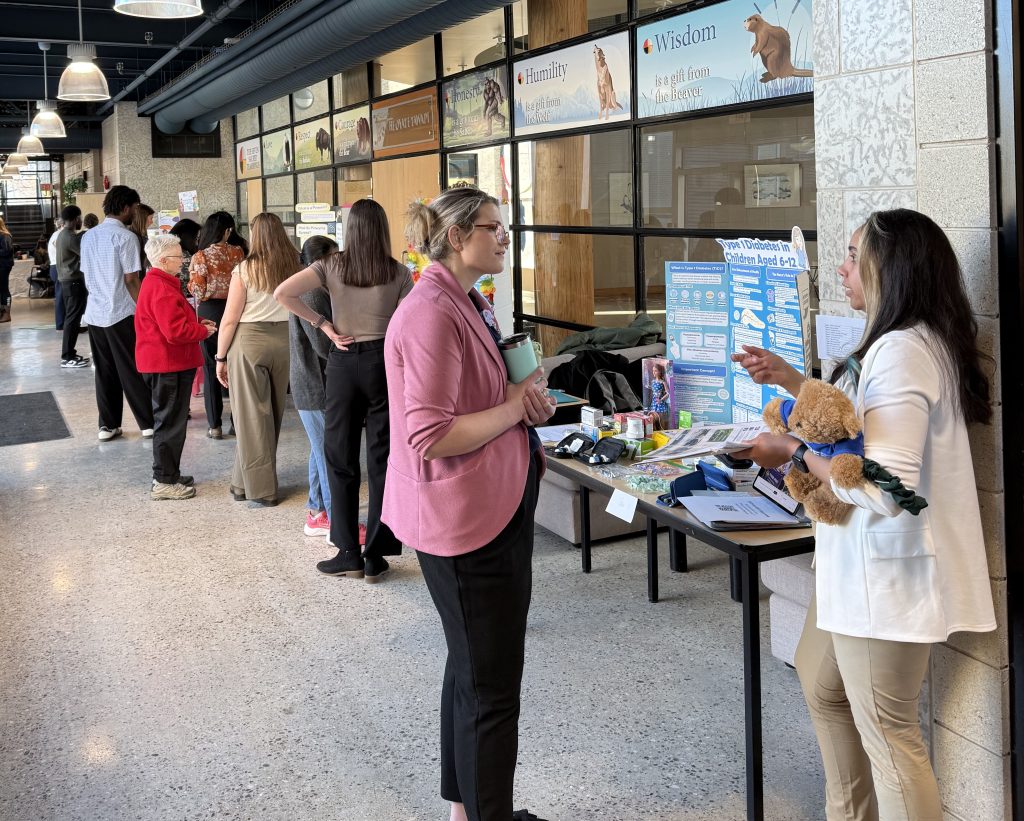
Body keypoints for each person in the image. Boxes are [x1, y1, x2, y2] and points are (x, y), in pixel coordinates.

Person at [732, 208, 996, 820]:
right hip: (856, 571)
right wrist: (797, 382)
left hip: (886, 581)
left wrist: (790, 449)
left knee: (892, 741)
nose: (842, 270)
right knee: (821, 682)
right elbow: (859, 432)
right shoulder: (908, 341)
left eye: (853, 256)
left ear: (891, 267)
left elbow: (882, 483)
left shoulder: (904, 351)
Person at [384, 187, 555, 821]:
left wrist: (523, 399)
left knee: (472, 668)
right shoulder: (431, 311)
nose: (505, 237)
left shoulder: (467, 299)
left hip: (492, 503)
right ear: (457, 238)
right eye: (494, 228)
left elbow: (478, 399)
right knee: (491, 690)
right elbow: (430, 435)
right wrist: (513, 408)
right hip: (466, 521)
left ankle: (466, 810)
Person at [274, 199, 407, 579]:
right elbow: (408, 321)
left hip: (345, 362)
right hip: (384, 364)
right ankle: (377, 554)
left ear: (349, 229)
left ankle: (348, 549)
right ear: (382, 229)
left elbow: (283, 293)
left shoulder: (330, 264)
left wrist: (324, 325)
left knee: (339, 455)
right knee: (382, 457)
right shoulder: (398, 272)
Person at [214, 212, 293, 507]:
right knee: (271, 414)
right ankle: (240, 482)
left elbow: (230, 320)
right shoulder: (294, 265)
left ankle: (262, 490)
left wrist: (220, 357)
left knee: (251, 418)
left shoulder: (245, 269)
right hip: (285, 342)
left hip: (250, 342)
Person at [134, 234, 216, 501]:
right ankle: (163, 481)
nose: (183, 261)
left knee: (172, 421)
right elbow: (175, 331)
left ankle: (169, 472)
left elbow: (178, 317)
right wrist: (201, 331)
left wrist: (199, 322)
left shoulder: (161, 282)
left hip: (169, 362)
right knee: (169, 423)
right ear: (162, 260)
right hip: (167, 364)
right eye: (178, 256)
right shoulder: (159, 287)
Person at [80, 185, 155, 442]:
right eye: (135, 208)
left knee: (104, 370)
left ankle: (107, 425)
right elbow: (132, 279)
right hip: (122, 312)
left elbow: (87, 274)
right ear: (126, 208)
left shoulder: (88, 236)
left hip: (95, 313)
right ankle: (148, 422)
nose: (136, 212)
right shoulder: (126, 237)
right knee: (132, 368)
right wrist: (148, 309)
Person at [278, 235, 338, 539]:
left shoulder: (309, 288)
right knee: (329, 452)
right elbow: (323, 346)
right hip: (315, 384)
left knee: (319, 449)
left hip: (311, 384)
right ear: (322, 261)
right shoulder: (313, 291)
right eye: (335, 256)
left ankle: (317, 513)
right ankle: (337, 526)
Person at [189, 212, 246, 439]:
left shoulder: (200, 256)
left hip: (209, 313)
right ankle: (237, 423)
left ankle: (214, 425)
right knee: (234, 367)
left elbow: (197, 291)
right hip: (237, 310)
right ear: (228, 231)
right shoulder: (239, 253)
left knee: (210, 367)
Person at [55, 205, 90, 368]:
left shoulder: (63, 234)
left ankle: (70, 353)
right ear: (76, 218)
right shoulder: (70, 237)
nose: (81, 221)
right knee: (72, 319)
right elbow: (87, 253)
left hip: (68, 281)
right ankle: (67, 356)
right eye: (80, 218)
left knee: (73, 318)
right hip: (73, 281)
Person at [169, 218, 201, 298]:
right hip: (182, 300)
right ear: (186, 237)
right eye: (195, 238)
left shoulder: (164, 251)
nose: (196, 243)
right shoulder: (184, 256)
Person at [46, 220, 63, 330]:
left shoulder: (55, 234)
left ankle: (61, 323)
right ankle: (60, 324)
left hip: (55, 267)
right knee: (60, 296)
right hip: (58, 267)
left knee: (60, 295)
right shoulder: (59, 235)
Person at [131, 204, 155, 271]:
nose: (152, 222)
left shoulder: (142, 235)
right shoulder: (133, 237)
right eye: (151, 218)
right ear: (142, 219)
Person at [0, 216, 13, 323]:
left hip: (4, 266)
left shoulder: (5, 235)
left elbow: (7, 251)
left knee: (4, 289)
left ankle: (7, 313)